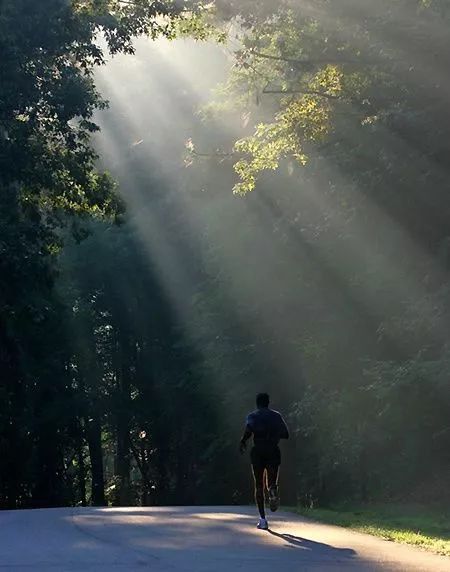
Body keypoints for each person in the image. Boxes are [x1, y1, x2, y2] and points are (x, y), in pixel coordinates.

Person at [239, 392, 289, 530]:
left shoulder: (252, 416)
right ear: (268, 403)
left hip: (258, 452)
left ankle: (262, 520)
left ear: (257, 403)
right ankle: (273, 491)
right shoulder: (276, 416)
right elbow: (286, 434)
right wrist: (273, 434)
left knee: (259, 485)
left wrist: (242, 442)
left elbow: (248, 432)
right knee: (272, 481)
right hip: (273, 450)